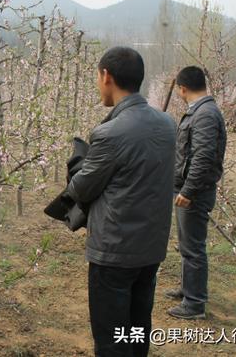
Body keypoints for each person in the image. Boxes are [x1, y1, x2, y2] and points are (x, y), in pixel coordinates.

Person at [66, 47, 176, 357]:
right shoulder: (168, 125)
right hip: (150, 250)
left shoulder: (110, 133)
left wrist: (77, 164)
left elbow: (81, 190)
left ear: (107, 76)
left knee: (112, 339)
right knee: (137, 329)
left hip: (114, 252)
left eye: (97, 77)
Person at [166, 66, 227, 319]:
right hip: (188, 189)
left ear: (182, 88)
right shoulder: (202, 111)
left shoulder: (204, 115)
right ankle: (188, 289)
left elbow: (202, 156)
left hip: (195, 193)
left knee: (193, 248)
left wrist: (189, 190)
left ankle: (194, 305)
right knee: (187, 245)